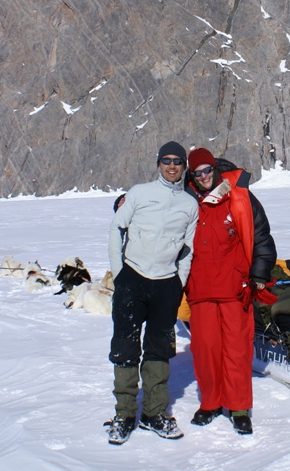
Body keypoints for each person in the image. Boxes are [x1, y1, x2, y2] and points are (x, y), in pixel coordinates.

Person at [106, 142, 198, 445]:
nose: (172, 167)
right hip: (132, 277)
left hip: (165, 284)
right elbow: (116, 229)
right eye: (166, 161)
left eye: (177, 162)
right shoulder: (139, 193)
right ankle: (125, 414)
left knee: (160, 349)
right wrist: (120, 275)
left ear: (184, 166)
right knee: (126, 347)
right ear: (159, 163)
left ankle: (154, 413)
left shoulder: (189, 204)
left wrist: (178, 282)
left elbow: (188, 248)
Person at [183, 148, 276, 435]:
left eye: (207, 170)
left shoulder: (239, 196)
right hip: (200, 289)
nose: (204, 176)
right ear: (192, 176)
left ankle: (238, 407)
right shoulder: (184, 202)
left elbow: (261, 234)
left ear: (215, 168)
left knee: (237, 348)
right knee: (205, 349)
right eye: (197, 173)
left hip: (236, 288)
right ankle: (211, 402)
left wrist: (259, 272)